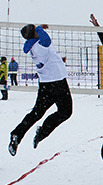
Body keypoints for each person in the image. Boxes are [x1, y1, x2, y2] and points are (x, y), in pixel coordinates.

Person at [8, 24, 73, 156]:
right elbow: (46, 40)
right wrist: (39, 27)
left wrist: (59, 61)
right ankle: (42, 132)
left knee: (36, 113)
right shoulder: (41, 44)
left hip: (46, 84)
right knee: (65, 112)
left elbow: (47, 56)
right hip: (58, 83)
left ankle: (17, 134)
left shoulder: (32, 46)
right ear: (35, 33)